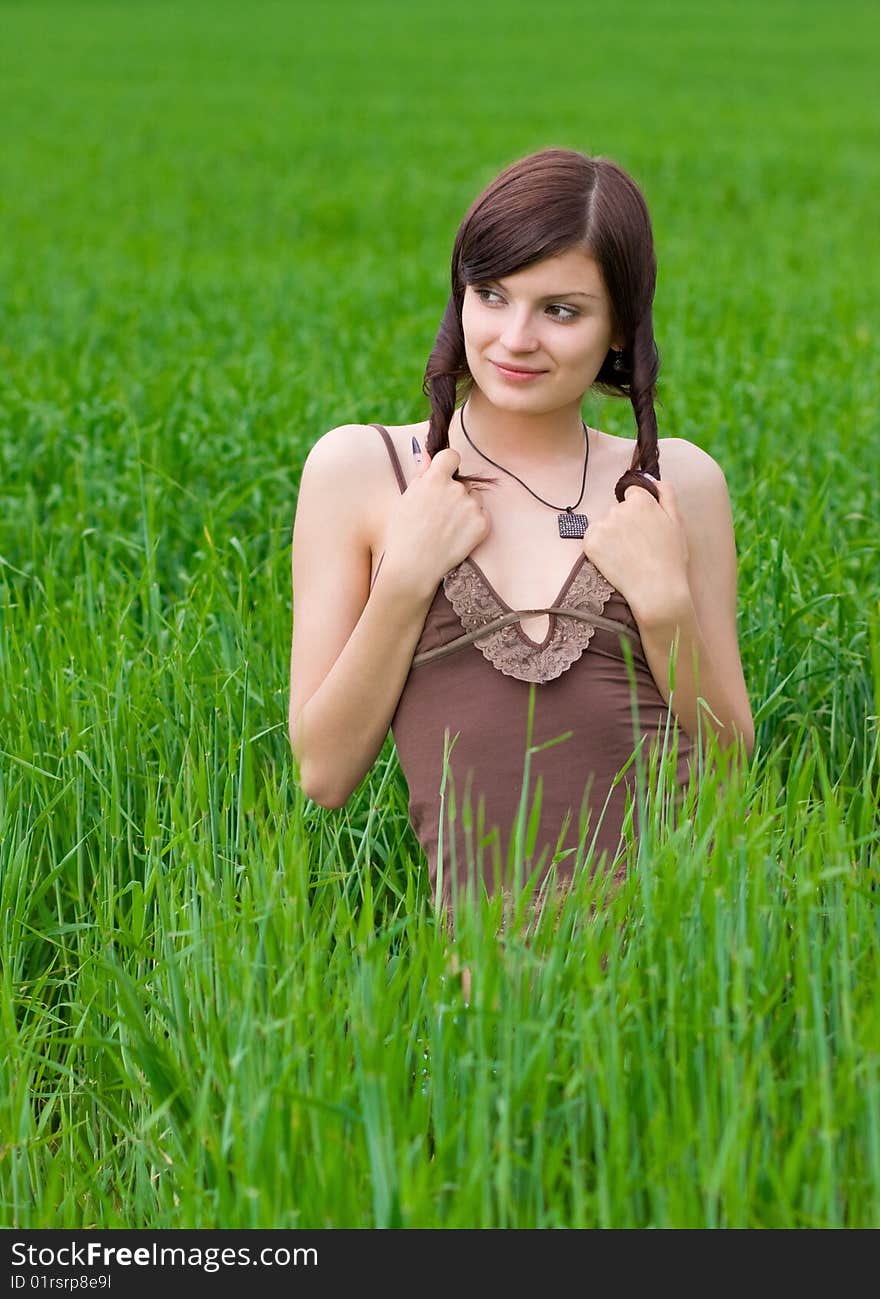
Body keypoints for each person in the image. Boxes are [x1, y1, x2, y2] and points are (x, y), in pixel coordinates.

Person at [288, 146, 754, 922]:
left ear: (618, 330)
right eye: (492, 295)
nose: (514, 337)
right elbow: (325, 775)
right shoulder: (362, 473)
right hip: (487, 1004)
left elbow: (729, 770)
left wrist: (667, 610)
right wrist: (405, 579)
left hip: (679, 971)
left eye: (561, 310)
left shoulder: (678, 483)